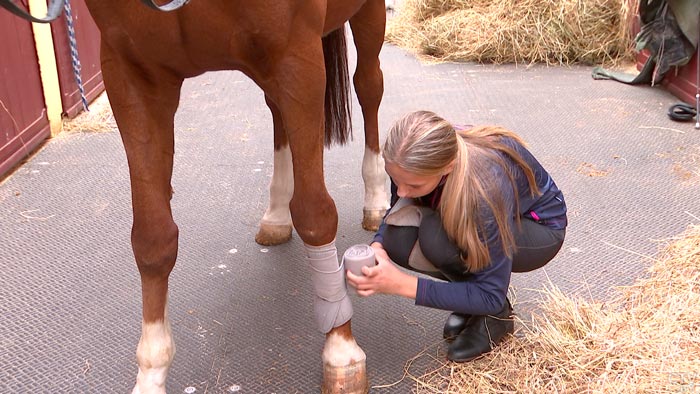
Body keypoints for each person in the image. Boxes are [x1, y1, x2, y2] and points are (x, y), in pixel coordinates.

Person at [346, 110, 567, 362]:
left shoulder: (484, 190)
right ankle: (470, 297)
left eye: (414, 186)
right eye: (395, 179)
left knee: (436, 239)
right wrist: (378, 244)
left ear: (447, 167)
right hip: (485, 215)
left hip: (537, 230)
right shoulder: (410, 159)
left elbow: (490, 294)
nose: (403, 190)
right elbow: (398, 206)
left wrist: (400, 284)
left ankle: (495, 318)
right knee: (396, 238)